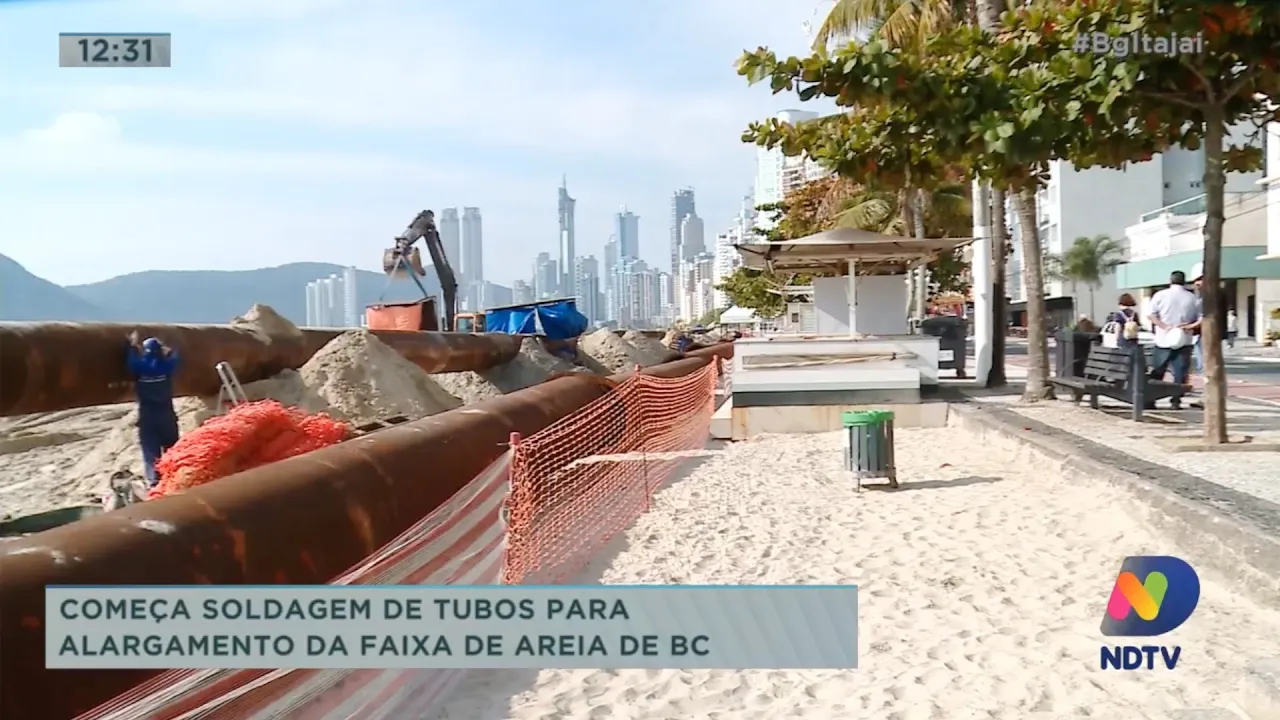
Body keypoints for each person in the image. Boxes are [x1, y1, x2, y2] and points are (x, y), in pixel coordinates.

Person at [126, 333, 181, 488]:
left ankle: (155, 483)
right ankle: (176, 477)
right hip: (167, 416)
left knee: (151, 452)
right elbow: (177, 357)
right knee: (172, 448)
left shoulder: (140, 366)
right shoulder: (167, 366)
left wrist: (130, 346)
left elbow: (130, 360)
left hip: (148, 417)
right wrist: (170, 350)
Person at [1146, 270, 1201, 410]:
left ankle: (1151, 399)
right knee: (1180, 373)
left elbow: (1151, 315)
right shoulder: (1192, 298)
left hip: (1163, 339)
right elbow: (1201, 319)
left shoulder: (1160, 295)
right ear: (1184, 281)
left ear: (1170, 281)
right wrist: (1188, 326)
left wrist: (1164, 326)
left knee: (1158, 371)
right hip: (1184, 340)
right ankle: (1175, 401)